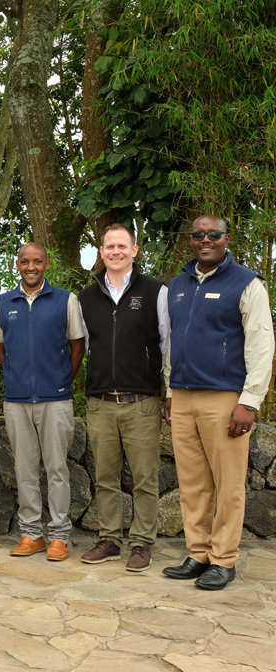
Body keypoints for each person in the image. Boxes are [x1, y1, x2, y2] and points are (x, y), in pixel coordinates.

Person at [162, 215, 274, 590]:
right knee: (192, 483)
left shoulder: (247, 283)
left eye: (214, 234)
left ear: (227, 238)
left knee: (228, 484)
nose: (205, 239)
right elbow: (172, 343)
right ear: (190, 240)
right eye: (198, 235)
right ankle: (198, 553)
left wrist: (250, 400)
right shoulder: (177, 285)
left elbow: (261, 345)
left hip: (225, 398)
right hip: (183, 396)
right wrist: (169, 391)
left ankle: (223, 559)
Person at [77, 223, 169, 573]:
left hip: (141, 402)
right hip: (101, 403)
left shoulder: (154, 291)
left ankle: (142, 544)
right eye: (109, 246)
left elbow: (166, 345)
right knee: (105, 477)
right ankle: (110, 539)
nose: (115, 251)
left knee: (145, 478)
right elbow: (85, 347)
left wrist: (168, 392)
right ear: (101, 252)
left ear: (134, 250)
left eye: (122, 246)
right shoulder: (86, 297)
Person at [0, 243, 85, 561]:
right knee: (24, 469)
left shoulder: (65, 300)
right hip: (16, 400)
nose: (31, 267)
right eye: (25, 261)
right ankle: (31, 533)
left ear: (47, 264)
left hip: (55, 399)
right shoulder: (3, 302)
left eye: (38, 262)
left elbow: (77, 347)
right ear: (17, 264)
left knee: (57, 468)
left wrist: (59, 381)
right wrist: (16, 377)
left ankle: (58, 536)